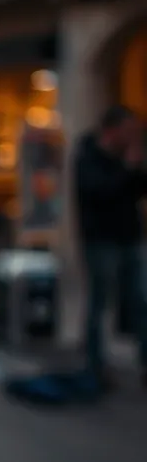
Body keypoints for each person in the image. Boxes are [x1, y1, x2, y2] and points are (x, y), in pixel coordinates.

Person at [73, 104, 147, 389]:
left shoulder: (124, 157)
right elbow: (100, 192)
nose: (132, 136)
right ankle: (94, 363)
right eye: (128, 130)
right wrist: (128, 169)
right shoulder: (88, 156)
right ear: (112, 130)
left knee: (139, 301)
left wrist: (136, 167)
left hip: (129, 237)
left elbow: (137, 190)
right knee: (99, 303)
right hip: (101, 241)